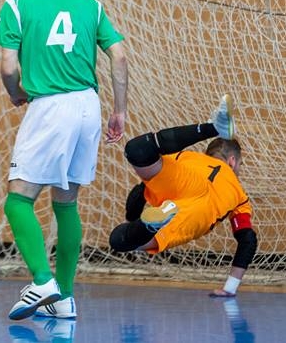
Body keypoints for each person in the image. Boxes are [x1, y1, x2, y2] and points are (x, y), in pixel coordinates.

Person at [0, 0, 129, 321]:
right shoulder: (90, 3)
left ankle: (42, 280)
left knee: (18, 199)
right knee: (66, 203)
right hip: (88, 106)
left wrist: (16, 93)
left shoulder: (18, 4)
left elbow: (6, 67)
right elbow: (118, 56)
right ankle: (64, 299)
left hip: (50, 108)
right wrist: (119, 111)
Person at [108, 95, 258, 298]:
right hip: (200, 209)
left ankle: (212, 128)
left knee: (137, 149)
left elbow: (138, 193)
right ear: (232, 161)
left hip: (184, 177)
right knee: (120, 239)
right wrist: (229, 288)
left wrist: (131, 218)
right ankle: (144, 228)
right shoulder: (240, 195)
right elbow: (247, 239)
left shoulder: (187, 157)